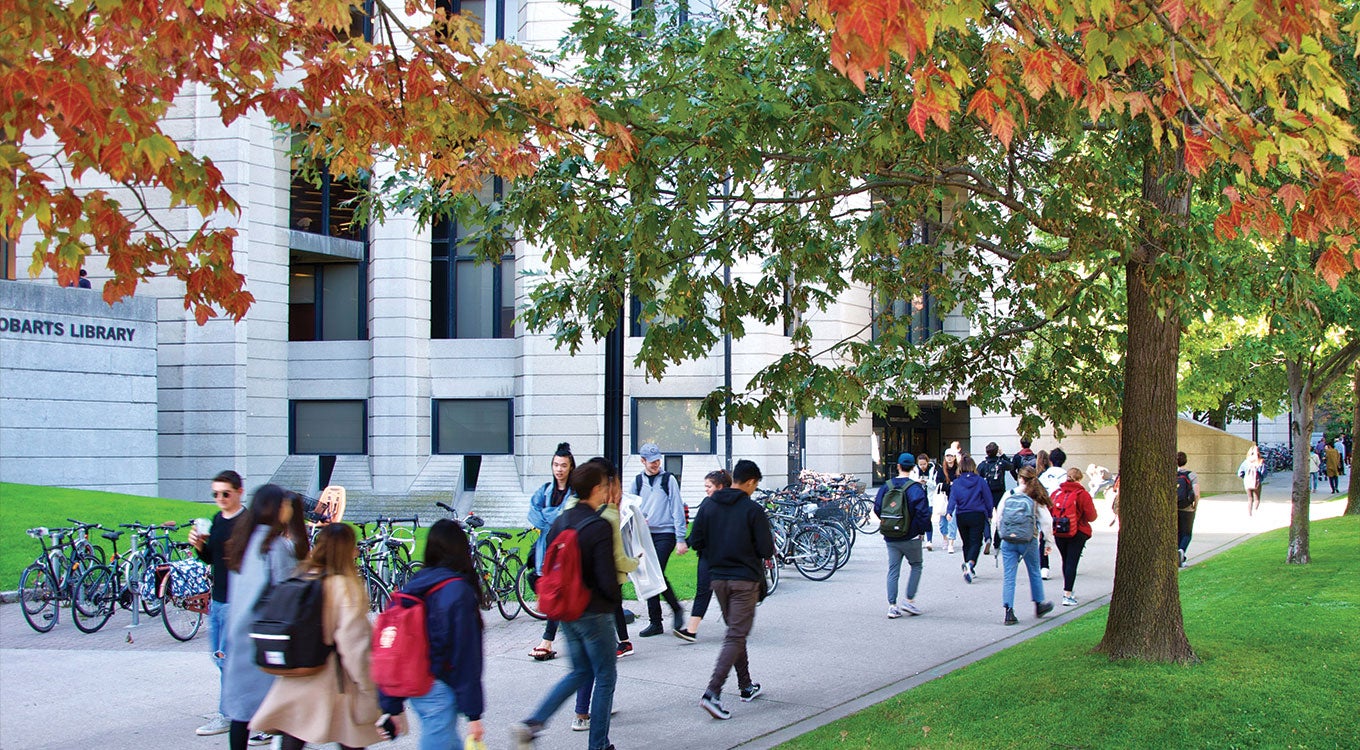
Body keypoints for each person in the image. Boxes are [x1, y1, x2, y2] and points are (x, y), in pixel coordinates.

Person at [512, 461, 620, 750]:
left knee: (580, 671)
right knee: (606, 675)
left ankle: (533, 723)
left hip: (566, 610)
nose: (608, 489)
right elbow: (606, 578)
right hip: (595, 611)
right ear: (597, 489)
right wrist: (615, 603)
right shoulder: (599, 525)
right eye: (605, 485)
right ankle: (598, 745)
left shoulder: (562, 520)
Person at [250, 524, 384, 750]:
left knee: (294, 734)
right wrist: (369, 683)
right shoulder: (344, 585)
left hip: (298, 672)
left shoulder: (304, 574)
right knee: (351, 738)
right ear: (345, 550)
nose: (357, 552)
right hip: (334, 680)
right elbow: (354, 643)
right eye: (354, 547)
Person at [375, 519, 486, 750]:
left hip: (417, 683)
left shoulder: (416, 583)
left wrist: (391, 705)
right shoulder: (458, 591)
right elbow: (465, 656)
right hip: (438, 687)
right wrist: (474, 714)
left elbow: (394, 648)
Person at [221, 486, 309, 749]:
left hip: (239, 634)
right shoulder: (277, 546)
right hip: (267, 638)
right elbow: (287, 590)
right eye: (285, 506)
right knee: (285, 708)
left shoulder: (242, 542)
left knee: (241, 713)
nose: (288, 510)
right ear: (275, 508)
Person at [690, 459, 775, 721]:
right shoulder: (753, 510)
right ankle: (712, 693)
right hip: (744, 581)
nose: (754, 489)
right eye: (755, 485)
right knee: (736, 635)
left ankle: (746, 685)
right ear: (749, 482)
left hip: (718, 579)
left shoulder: (709, 505)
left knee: (735, 633)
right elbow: (766, 549)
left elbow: (695, 541)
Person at [561, 457, 639, 732]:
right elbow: (616, 559)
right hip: (597, 602)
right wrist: (636, 562)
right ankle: (597, 736)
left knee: (582, 668)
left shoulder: (568, 510)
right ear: (604, 485)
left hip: (568, 599)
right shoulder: (607, 515)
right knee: (604, 673)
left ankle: (579, 714)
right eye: (613, 482)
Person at [190, 470, 247, 737]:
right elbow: (211, 559)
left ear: (239, 492)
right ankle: (238, 712)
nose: (220, 499)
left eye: (225, 493)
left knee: (229, 661)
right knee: (220, 657)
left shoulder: (248, 522)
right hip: (219, 598)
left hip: (240, 600)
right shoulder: (217, 519)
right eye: (216, 494)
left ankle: (230, 714)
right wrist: (200, 545)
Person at [631, 442, 687, 637]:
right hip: (645, 535)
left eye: (658, 461)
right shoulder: (637, 481)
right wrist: (638, 519)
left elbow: (677, 508)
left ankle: (676, 609)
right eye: (652, 462)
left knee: (657, 573)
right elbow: (632, 507)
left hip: (666, 533)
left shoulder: (668, 479)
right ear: (643, 461)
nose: (656, 464)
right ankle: (656, 622)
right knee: (648, 576)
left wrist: (680, 538)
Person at [528, 443, 577, 661]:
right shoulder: (545, 490)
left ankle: (547, 641)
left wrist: (550, 516)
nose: (559, 469)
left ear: (570, 467)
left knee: (558, 594)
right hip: (545, 549)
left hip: (565, 551)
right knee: (558, 596)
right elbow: (534, 514)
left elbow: (565, 517)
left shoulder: (574, 492)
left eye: (563, 465)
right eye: (556, 465)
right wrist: (553, 516)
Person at [676, 469, 732, 641]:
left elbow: (698, 531)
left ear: (720, 486)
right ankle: (693, 630)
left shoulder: (708, 504)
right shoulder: (736, 504)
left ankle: (692, 630)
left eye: (708, 486)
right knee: (724, 592)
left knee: (705, 590)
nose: (706, 490)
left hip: (709, 556)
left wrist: (688, 543)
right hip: (730, 556)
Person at [998, 466, 1055, 625]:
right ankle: (1039, 604)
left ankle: (1008, 611)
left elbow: (999, 517)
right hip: (1028, 540)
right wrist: (1048, 542)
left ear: (1019, 478)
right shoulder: (1035, 497)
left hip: (1008, 540)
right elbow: (1047, 521)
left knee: (1009, 577)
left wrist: (1002, 534)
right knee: (1034, 572)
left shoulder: (1009, 494)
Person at [875, 453, 928, 616]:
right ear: (913, 467)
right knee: (916, 565)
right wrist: (921, 531)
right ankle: (909, 600)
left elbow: (877, 508)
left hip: (890, 535)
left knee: (893, 570)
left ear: (897, 466)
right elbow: (923, 513)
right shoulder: (915, 488)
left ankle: (892, 605)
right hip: (911, 536)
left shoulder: (887, 486)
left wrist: (889, 524)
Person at [1051, 466, 1097, 605]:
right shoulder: (1082, 494)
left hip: (1059, 531)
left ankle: (1068, 590)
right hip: (1077, 532)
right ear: (1079, 479)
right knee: (1072, 562)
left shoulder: (1056, 493)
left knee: (1066, 560)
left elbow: (1049, 509)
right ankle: (1067, 594)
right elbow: (1091, 516)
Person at [947, 455, 993, 583]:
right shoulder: (980, 481)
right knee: (976, 542)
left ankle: (968, 564)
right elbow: (988, 498)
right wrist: (989, 513)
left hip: (962, 514)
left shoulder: (956, 482)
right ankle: (970, 564)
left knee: (966, 542)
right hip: (977, 513)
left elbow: (953, 498)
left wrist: (949, 511)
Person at [1035, 447, 1070, 580]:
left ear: (1050, 460)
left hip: (1045, 508)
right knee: (1063, 538)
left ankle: (1044, 567)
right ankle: (1067, 564)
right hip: (1060, 509)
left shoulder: (1044, 475)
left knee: (1044, 538)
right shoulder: (1064, 475)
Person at [976, 443, 1012, 554]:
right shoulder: (1001, 463)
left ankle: (987, 537)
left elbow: (978, 479)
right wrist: (1003, 455)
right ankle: (997, 542)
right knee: (1000, 518)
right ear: (997, 451)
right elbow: (1012, 466)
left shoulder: (982, 465)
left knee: (986, 517)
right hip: (999, 493)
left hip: (986, 494)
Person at [910, 453, 946, 551]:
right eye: (920, 464)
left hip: (930, 498)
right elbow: (911, 482)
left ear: (927, 462)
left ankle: (929, 540)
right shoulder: (914, 470)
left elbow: (935, 485)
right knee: (918, 518)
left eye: (924, 464)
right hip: (918, 498)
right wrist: (918, 481)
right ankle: (920, 536)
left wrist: (926, 482)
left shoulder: (933, 470)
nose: (922, 466)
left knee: (927, 518)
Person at [1175, 452, 1201, 567]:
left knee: (1177, 532)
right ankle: (1181, 551)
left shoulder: (1172, 474)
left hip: (1174, 508)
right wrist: (1196, 505)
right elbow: (1196, 493)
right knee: (1186, 533)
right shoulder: (1191, 475)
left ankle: (1179, 557)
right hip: (1187, 508)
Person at [937, 450, 961, 553]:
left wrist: (951, 485)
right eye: (947, 456)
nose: (949, 458)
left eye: (951, 456)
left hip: (955, 499)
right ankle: (945, 538)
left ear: (955, 457)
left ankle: (951, 542)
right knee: (943, 523)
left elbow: (959, 484)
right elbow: (938, 485)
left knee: (952, 521)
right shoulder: (941, 470)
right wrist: (949, 485)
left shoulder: (958, 470)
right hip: (944, 499)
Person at [1237, 445, 1266, 514]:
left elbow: (1240, 473)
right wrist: (1260, 478)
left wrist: (1245, 477)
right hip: (1257, 482)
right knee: (1257, 499)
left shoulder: (1246, 462)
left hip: (1247, 483)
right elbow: (1264, 473)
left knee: (1250, 499)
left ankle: (1249, 513)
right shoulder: (1260, 462)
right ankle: (1256, 511)